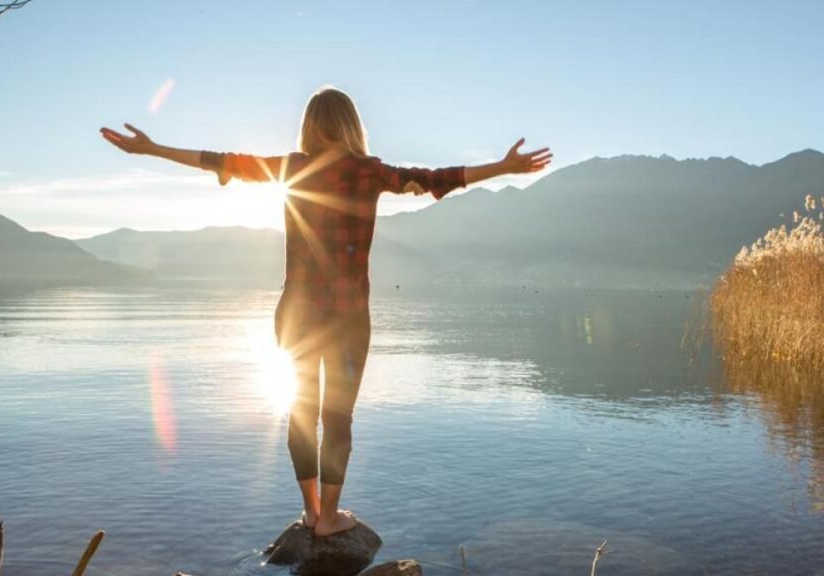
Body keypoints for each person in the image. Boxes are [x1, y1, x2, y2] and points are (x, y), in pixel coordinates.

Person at [100, 86, 552, 536]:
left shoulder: (292, 169)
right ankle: (330, 519)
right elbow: (437, 178)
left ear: (310, 126)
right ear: (352, 125)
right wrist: (504, 167)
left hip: (295, 313)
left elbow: (219, 160)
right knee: (338, 417)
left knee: (300, 410)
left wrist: (152, 148)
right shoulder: (369, 172)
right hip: (348, 317)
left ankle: (312, 511)